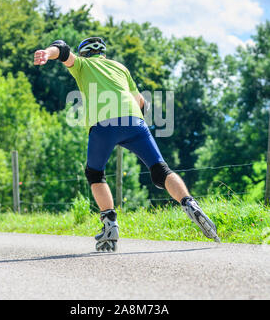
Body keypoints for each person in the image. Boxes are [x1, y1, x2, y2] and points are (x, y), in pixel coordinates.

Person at [34, 37, 220, 251]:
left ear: (84, 53)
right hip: (134, 121)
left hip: (102, 124)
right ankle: (189, 203)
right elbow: (141, 102)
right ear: (102, 53)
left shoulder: (83, 65)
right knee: (161, 169)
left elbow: (63, 49)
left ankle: (110, 223)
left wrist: (47, 53)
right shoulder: (121, 68)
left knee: (95, 173)